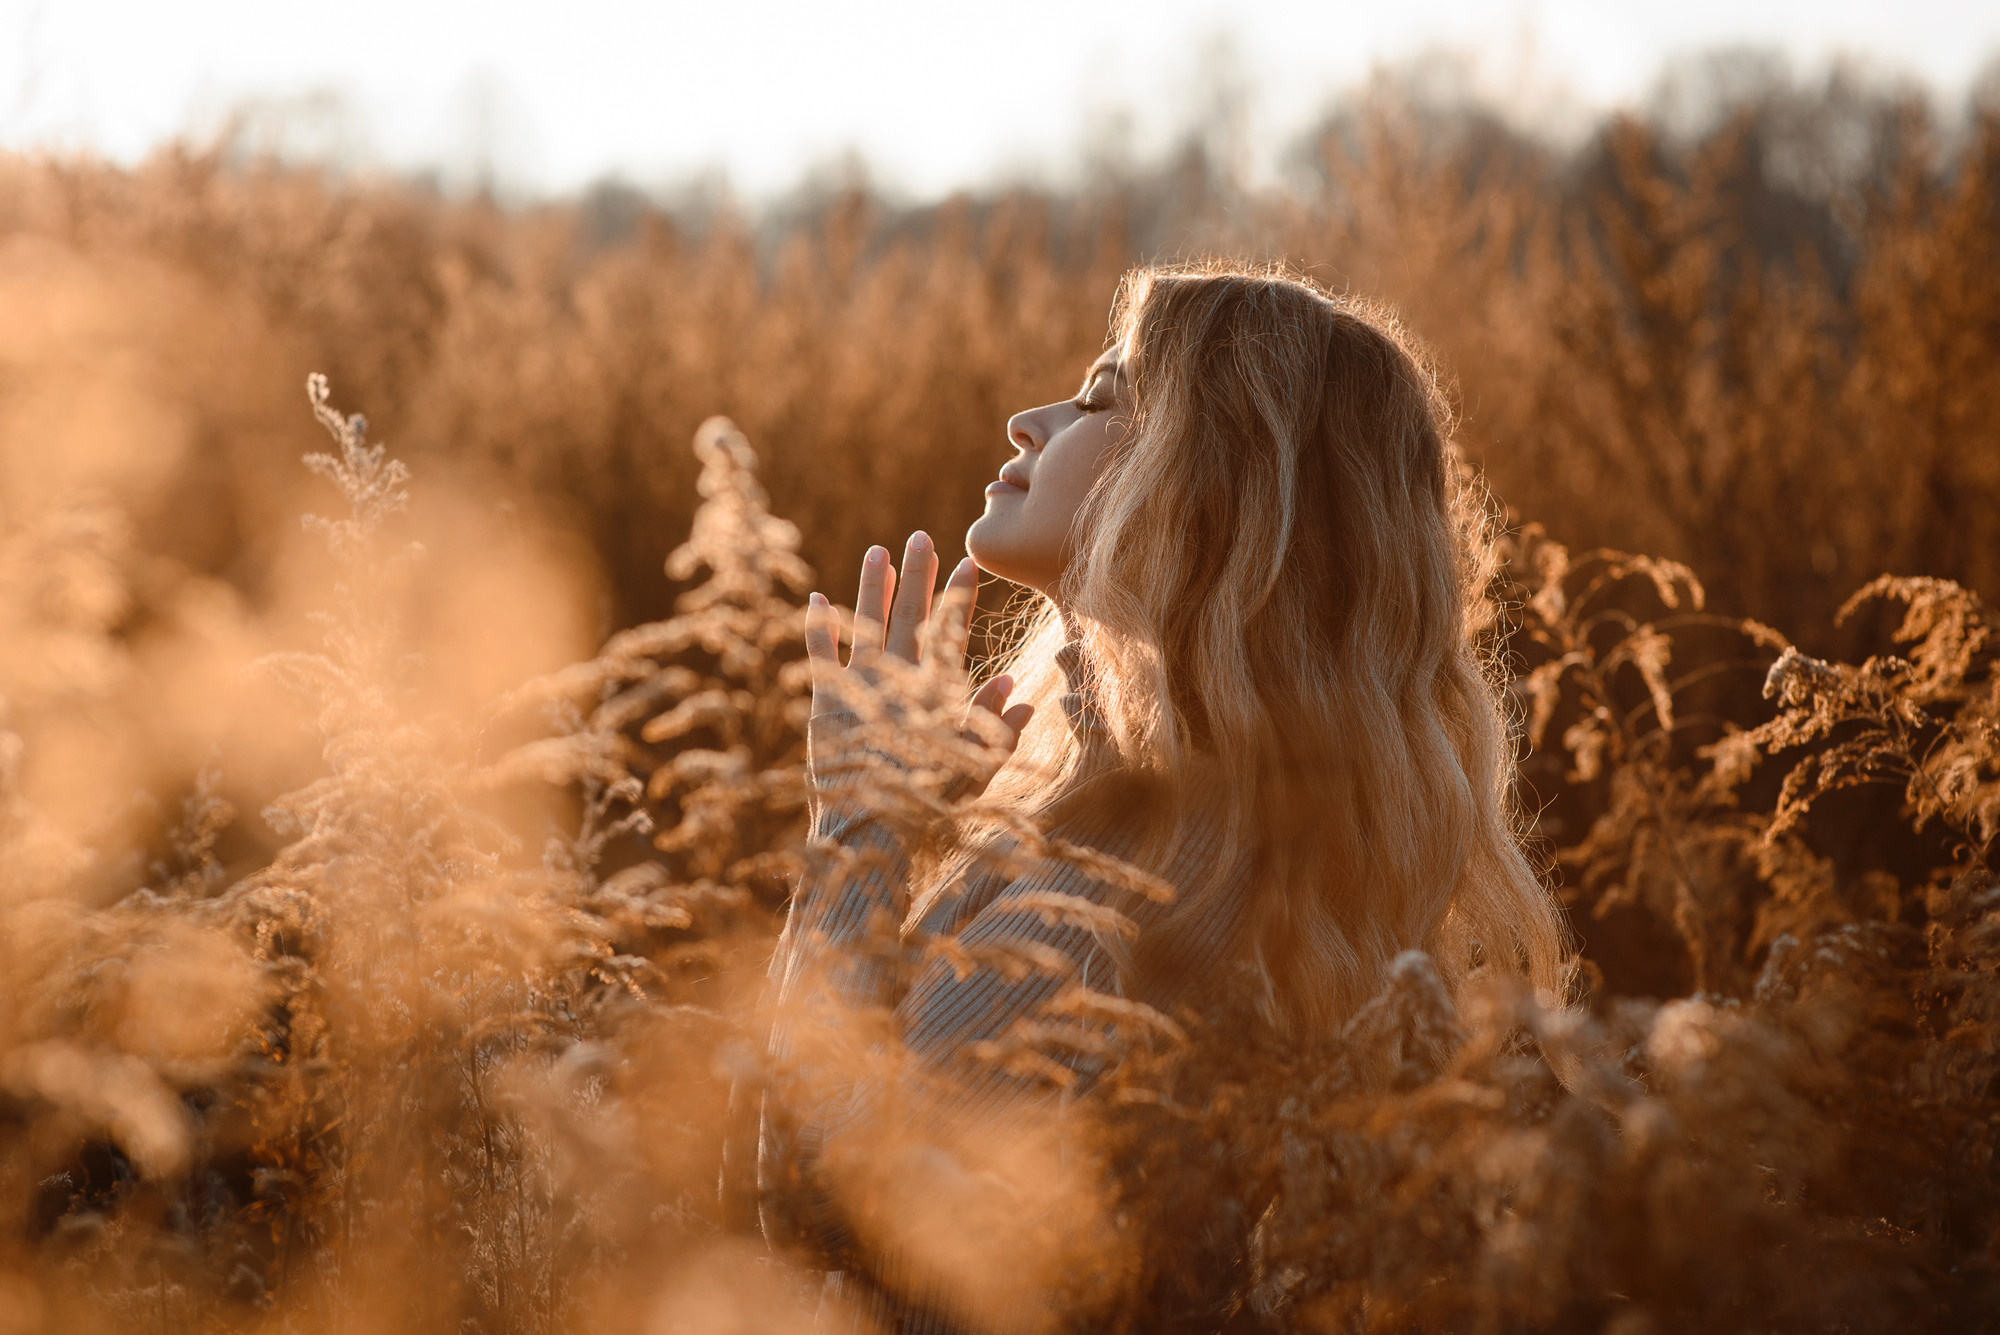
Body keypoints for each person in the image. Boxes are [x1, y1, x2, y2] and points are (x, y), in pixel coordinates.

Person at [760, 262, 1570, 1331]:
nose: (1024, 422)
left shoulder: (1116, 890)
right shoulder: (1234, 845)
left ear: (1209, 485)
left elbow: (824, 1201)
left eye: (1102, 397)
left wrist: (858, 821)